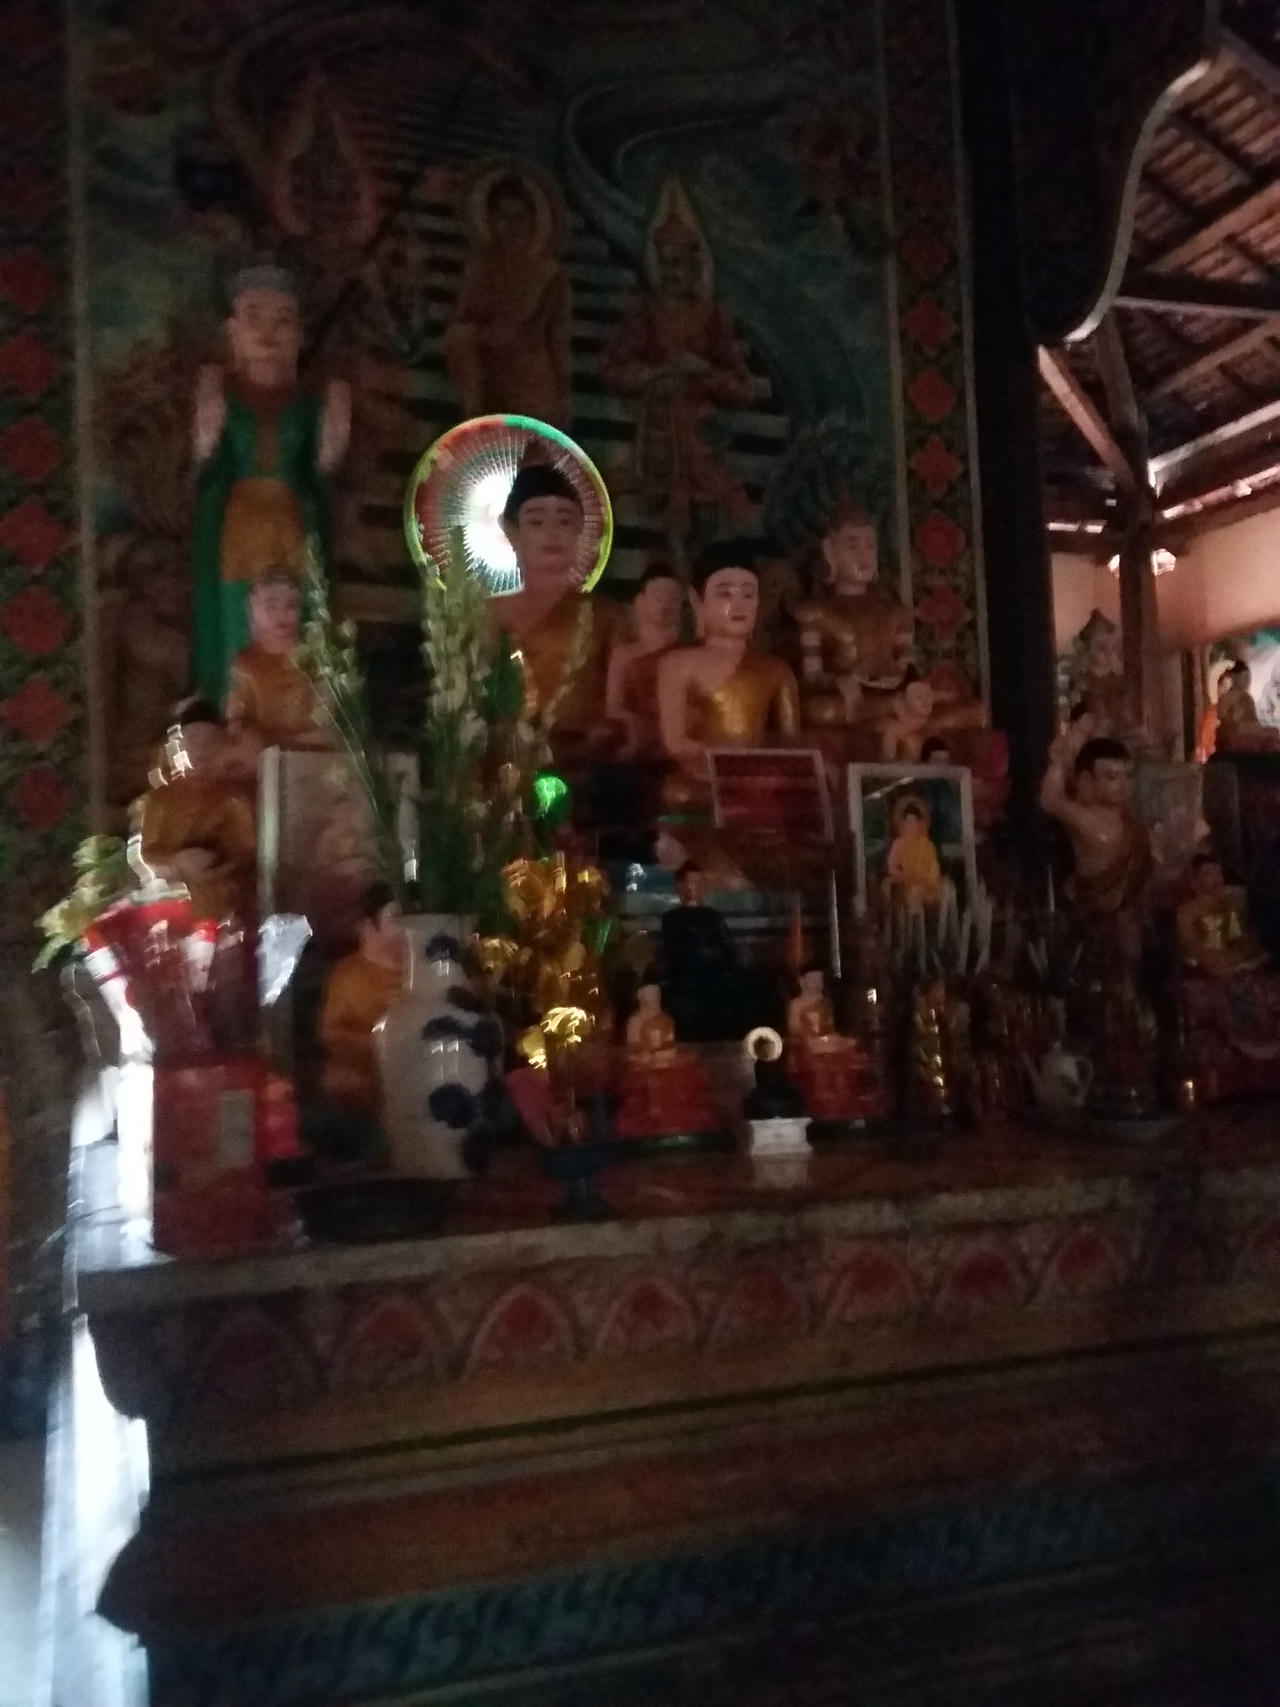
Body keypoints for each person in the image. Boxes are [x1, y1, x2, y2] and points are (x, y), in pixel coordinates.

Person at [192, 262, 350, 706]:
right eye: (255, 318)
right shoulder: (223, 393)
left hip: (292, 524)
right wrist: (207, 408)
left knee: (297, 622)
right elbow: (205, 460)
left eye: (283, 320)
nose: (268, 333)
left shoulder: (308, 403)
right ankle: (234, 713)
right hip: (237, 528)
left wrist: (337, 420)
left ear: (299, 336)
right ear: (232, 332)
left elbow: (322, 467)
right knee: (236, 623)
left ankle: (299, 716)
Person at [657, 539, 800, 803]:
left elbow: (789, 743)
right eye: (725, 594)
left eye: (748, 594)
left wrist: (754, 767)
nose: (739, 604)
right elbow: (675, 741)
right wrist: (722, 762)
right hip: (702, 776)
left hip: (758, 776)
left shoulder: (776, 670)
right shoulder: (677, 665)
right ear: (698, 601)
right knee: (679, 792)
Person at [493, 463, 618, 756]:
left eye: (564, 521)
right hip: (501, 758)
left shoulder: (608, 617)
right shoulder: (486, 613)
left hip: (584, 760)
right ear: (511, 530)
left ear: (581, 530)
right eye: (536, 522)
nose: (552, 534)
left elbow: (623, 703)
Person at [442, 167, 572, 426]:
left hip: (533, 385)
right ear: (490, 220)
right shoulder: (479, 269)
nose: (511, 226)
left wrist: (564, 393)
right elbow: (461, 323)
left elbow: (557, 341)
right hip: (489, 377)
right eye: (503, 217)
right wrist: (485, 334)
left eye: (519, 217)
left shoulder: (551, 277)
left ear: (532, 221)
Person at [796, 500, 914, 730]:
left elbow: (907, 667)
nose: (864, 555)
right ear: (830, 551)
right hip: (848, 700)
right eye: (853, 546)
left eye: (870, 545)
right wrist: (836, 681)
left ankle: (885, 711)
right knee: (821, 712)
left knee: (976, 712)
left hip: (894, 693)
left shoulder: (896, 611)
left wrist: (921, 691)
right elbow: (810, 677)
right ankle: (885, 712)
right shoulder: (814, 613)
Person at [138, 698, 257, 922]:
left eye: (210, 743)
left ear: (223, 745)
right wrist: (177, 861)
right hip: (175, 899)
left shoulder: (234, 797)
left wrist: (214, 867)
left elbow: (247, 853)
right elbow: (148, 855)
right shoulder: (161, 799)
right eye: (193, 742)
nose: (202, 751)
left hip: (225, 898)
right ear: (179, 748)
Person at [1039, 732, 1152, 919]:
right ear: (1087, 780)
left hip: (1130, 913)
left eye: (1128, 776)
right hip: (1095, 912)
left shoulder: (1130, 822)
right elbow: (1050, 799)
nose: (1123, 785)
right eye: (1112, 777)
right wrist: (1058, 760)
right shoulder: (1088, 820)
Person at [318, 880, 407, 1113]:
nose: (406, 928)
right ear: (368, 926)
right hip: (365, 1088)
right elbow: (332, 1034)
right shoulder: (348, 976)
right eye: (396, 918)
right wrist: (384, 1044)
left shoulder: (421, 972)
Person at [225, 569, 326, 755]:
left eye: (291, 605)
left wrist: (278, 741)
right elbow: (237, 730)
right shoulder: (246, 665)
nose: (282, 614)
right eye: (271, 606)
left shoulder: (317, 660)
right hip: (261, 761)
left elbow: (330, 731)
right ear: (253, 611)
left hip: (313, 758)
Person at [605, 562, 684, 756]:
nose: (665, 606)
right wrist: (633, 722)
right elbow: (613, 707)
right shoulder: (624, 655)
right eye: (658, 598)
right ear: (641, 601)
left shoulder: (688, 654)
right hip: (638, 734)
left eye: (672, 599)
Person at [1176, 853, 1268, 978]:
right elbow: (1190, 946)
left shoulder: (1230, 904)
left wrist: (1233, 956)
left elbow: (1238, 939)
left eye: (1219, 873)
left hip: (1232, 963)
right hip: (1203, 967)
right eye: (1209, 874)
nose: (1217, 879)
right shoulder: (1186, 912)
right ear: (1195, 880)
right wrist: (1210, 959)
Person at [884, 796, 943, 907]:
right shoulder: (898, 844)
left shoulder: (927, 844)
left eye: (915, 822)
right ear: (903, 824)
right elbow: (892, 867)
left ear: (920, 824)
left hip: (926, 884)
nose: (912, 826)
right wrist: (904, 878)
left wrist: (926, 882)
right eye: (909, 822)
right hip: (905, 883)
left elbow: (933, 867)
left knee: (922, 891)